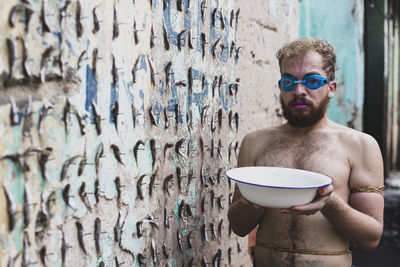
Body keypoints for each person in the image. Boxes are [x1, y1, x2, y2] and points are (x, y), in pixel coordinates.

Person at [227, 37, 384, 267]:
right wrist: (253, 201)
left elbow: (372, 237)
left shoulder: (359, 145)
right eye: (289, 82)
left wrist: (329, 202)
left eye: (311, 81)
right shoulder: (255, 143)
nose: (299, 91)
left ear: (331, 88)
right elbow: (239, 227)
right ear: (281, 88)